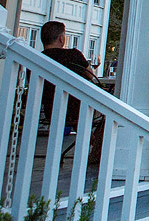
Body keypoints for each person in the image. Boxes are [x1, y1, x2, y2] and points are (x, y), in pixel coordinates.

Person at [39, 21, 104, 158]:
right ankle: (97, 148)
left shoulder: (38, 59)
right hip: (78, 106)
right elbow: (90, 75)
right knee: (106, 113)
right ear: (62, 39)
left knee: (74, 112)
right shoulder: (73, 55)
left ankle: (92, 143)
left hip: (50, 108)